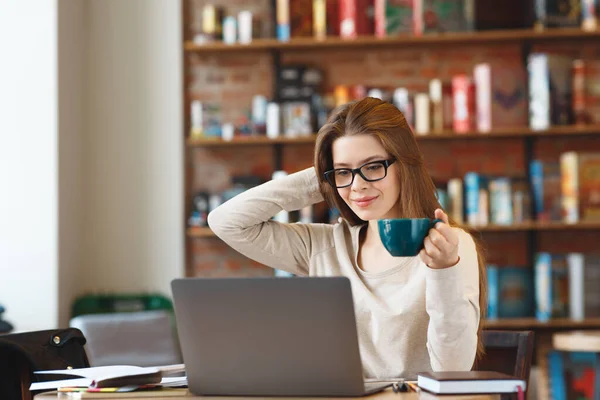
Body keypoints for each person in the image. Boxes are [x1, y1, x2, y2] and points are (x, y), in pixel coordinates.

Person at [208, 97, 486, 380]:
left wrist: (444, 271)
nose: (358, 185)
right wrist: (322, 178)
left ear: (405, 165)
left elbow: (453, 372)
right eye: (343, 171)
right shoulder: (324, 246)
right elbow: (226, 222)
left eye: (374, 167)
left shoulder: (450, 247)